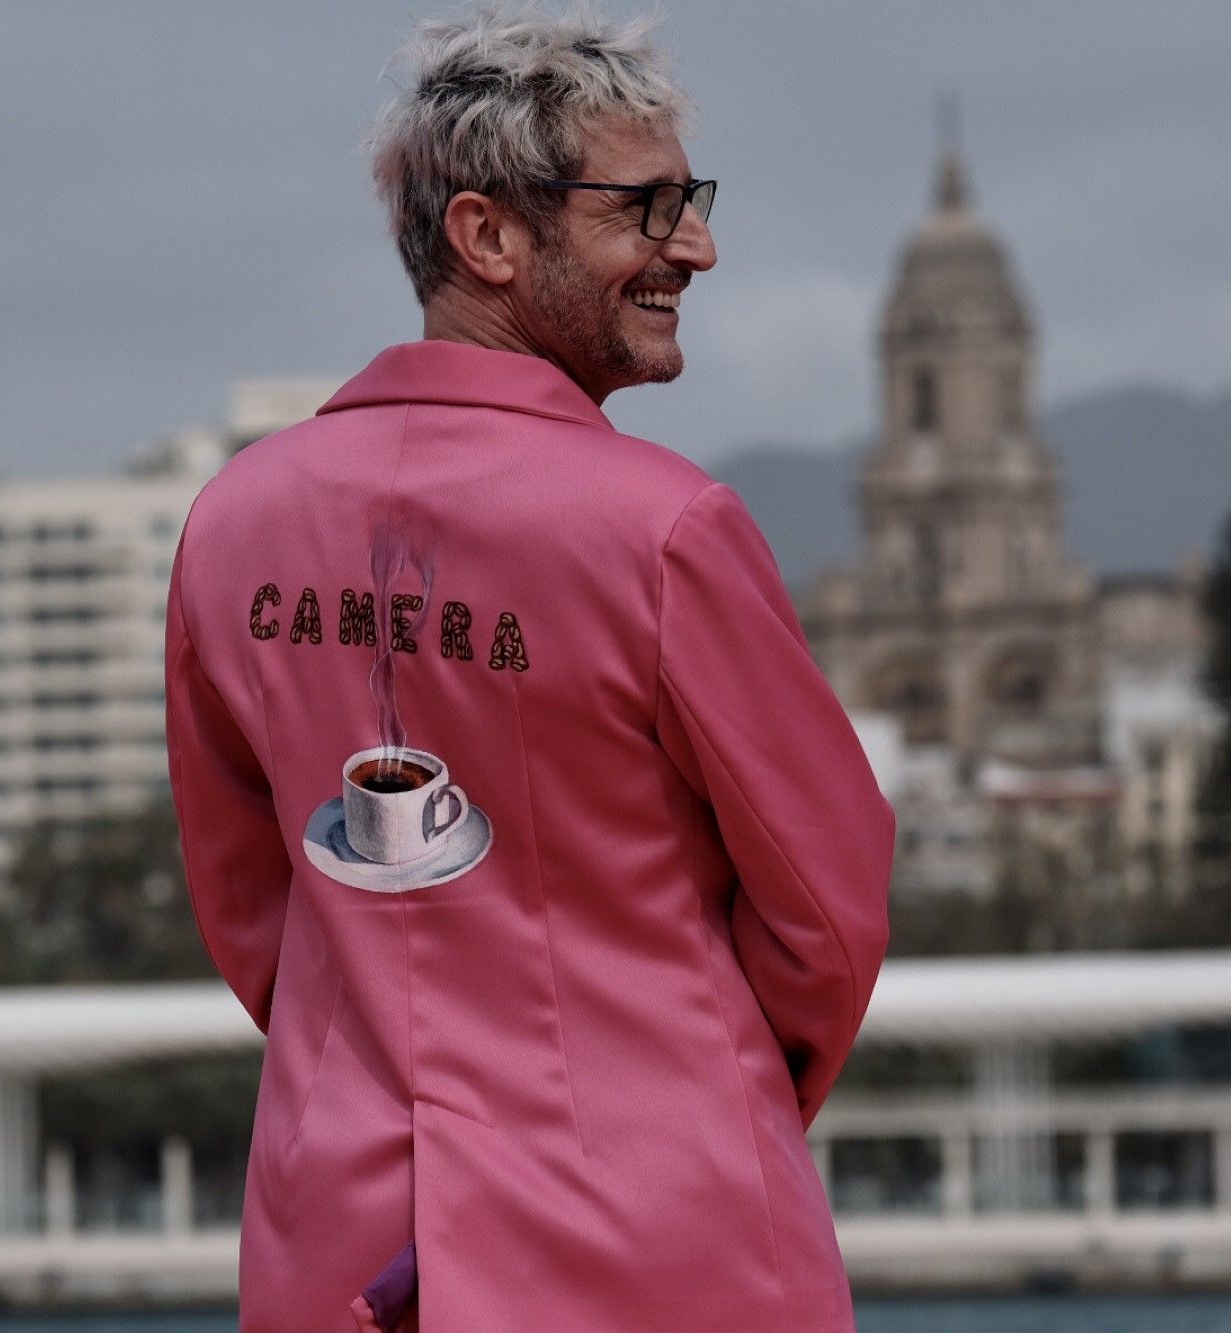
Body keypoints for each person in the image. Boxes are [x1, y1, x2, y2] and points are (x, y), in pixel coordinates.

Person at [165, 7, 894, 1330]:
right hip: (663, 1252)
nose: (700, 247)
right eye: (650, 206)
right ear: (489, 235)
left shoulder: (232, 524)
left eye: (694, 201)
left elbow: (248, 906)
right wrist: (685, 1112)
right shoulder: (665, 532)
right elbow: (829, 914)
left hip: (340, 1249)